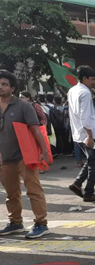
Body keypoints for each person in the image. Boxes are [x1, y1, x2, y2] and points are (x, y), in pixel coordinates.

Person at [0, 70, 51, 238]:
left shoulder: (23, 106)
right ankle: (15, 222)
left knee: (33, 189)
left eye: (4, 84)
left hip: (25, 155)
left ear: (12, 88)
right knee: (11, 193)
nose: (0, 87)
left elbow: (36, 130)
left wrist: (43, 151)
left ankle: (41, 223)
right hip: (4, 157)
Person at [67, 66, 95, 202]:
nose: (94, 82)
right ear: (85, 78)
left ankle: (77, 183)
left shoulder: (72, 90)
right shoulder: (85, 93)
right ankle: (89, 192)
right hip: (87, 133)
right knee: (94, 164)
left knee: (91, 161)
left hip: (78, 132)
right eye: (92, 79)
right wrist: (89, 135)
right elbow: (85, 115)